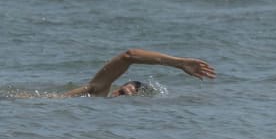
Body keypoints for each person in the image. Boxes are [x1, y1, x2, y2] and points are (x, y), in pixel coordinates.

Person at [63, 48, 215, 98]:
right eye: (123, 92)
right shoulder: (98, 91)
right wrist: (179, 63)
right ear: (115, 90)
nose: (127, 95)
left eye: (131, 95)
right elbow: (129, 56)